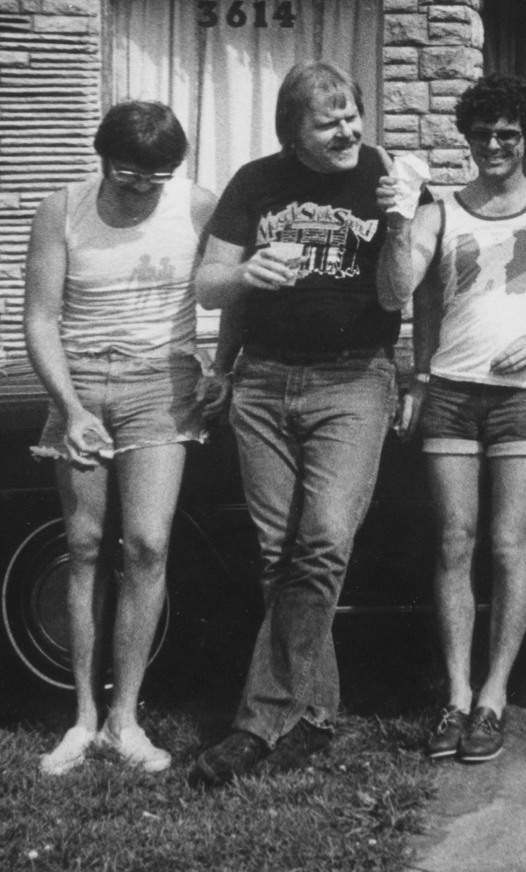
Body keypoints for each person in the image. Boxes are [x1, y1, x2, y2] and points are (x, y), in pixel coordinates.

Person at [187, 62, 405, 786]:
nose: (347, 130)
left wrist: (403, 216)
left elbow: (400, 290)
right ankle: (313, 716)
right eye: (328, 121)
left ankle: (257, 721)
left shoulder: (385, 178)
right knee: (281, 554)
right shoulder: (255, 183)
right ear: (293, 133)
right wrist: (248, 273)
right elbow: (209, 283)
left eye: (352, 114)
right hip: (263, 380)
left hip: (354, 378)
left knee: (322, 544)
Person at [378, 75, 526, 766]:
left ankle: (493, 697)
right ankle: (455, 692)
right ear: (467, 137)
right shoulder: (439, 210)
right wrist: (395, 221)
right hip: (451, 389)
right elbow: (398, 293)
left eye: (509, 134)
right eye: (484, 133)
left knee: (509, 546)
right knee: (453, 540)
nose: (496, 145)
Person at [23, 101, 219, 776]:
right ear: (102, 158)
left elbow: (232, 285)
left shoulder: (196, 206)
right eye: (129, 173)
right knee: (81, 547)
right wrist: (70, 407)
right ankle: (80, 719)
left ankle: (125, 720)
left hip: (160, 385)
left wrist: (227, 364)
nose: (141, 187)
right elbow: (42, 319)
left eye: (156, 176)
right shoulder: (61, 210)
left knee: (147, 545)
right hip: (79, 385)